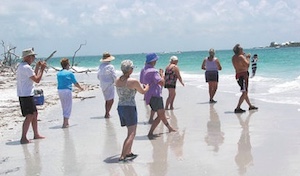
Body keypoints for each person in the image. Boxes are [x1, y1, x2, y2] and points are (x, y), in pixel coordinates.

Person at [115, 60, 149, 162]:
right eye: (132, 68)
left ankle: (128, 152)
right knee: (132, 133)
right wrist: (147, 87)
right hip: (129, 107)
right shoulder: (133, 81)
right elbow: (142, 92)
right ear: (129, 70)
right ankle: (122, 155)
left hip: (121, 106)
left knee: (129, 130)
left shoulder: (117, 80)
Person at [16, 48, 47, 144]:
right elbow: (37, 79)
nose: (33, 58)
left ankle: (36, 134)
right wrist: (42, 69)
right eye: (32, 56)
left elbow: (32, 76)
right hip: (26, 95)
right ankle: (23, 137)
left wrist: (37, 68)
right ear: (28, 57)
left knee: (34, 113)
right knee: (29, 115)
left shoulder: (22, 66)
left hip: (25, 94)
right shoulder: (26, 67)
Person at [142, 53, 176, 138]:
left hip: (148, 95)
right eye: (156, 60)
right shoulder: (153, 71)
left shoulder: (144, 69)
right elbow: (161, 82)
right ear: (153, 61)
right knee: (161, 115)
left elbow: (142, 81)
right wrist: (162, 75)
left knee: (161, 114)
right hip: (155, 95)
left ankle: (169, 128)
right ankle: (150, 132)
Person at [57, 58, 84, 128]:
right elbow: (75, 83)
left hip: (60, 90)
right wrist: (81, 88)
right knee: (68, 106)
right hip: (67, 90)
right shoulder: (69, 73)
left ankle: (66, 122)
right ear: (67, 65)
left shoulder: (59, 73)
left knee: (64, 106)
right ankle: (65, 123)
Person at [232, 44, 258, 113]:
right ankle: (238, 107)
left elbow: (240, 65)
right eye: (241, 49)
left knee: (245, 91)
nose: (243, 50)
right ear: (239, 50)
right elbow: (247, 65)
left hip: (238, 75)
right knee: (245, 92)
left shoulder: (234, 57)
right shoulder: (241, 57)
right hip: (243, 75)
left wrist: (244, 57)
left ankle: (250, 106)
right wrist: (248, 58)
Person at [97, 52, 117, 118]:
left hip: (103, 85)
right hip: (110, 85)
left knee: (107, 99)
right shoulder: (111, 66)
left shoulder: (101, 66)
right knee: (111, 100)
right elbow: (114, 76)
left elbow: (98, 76)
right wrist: (116, 82)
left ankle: (107, 112)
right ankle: (107, 113)